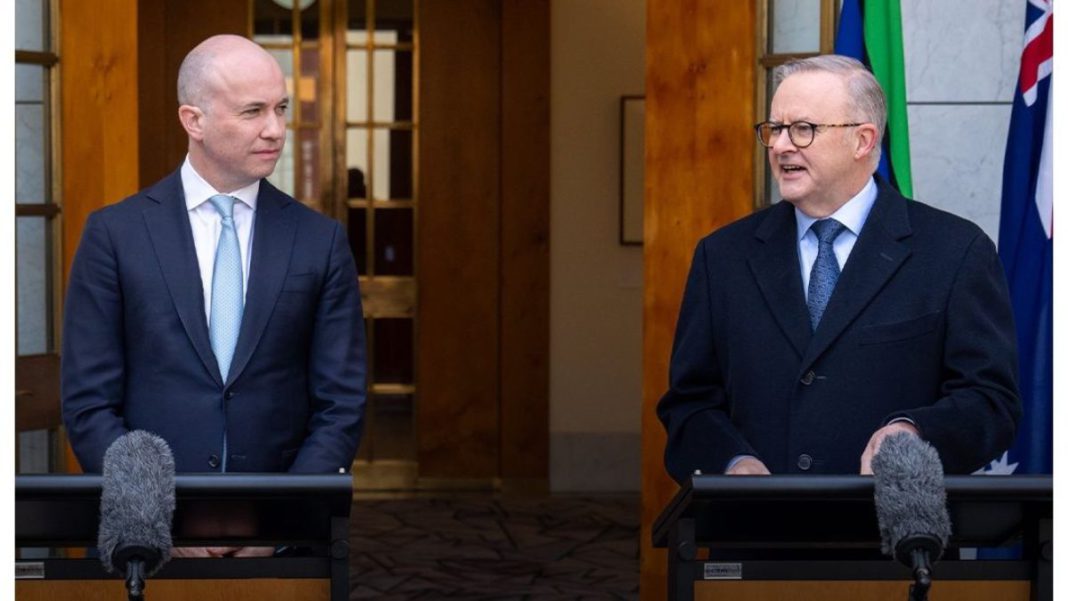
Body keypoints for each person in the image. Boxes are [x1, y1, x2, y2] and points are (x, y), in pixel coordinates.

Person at [61, 35, 366, 553]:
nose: (275, 129)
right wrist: (158, 518)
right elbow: (89, 403)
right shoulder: (115, 235)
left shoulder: (321, 240)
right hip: (146, 546)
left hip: (285, 546)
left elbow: (341, 404)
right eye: (252, 111)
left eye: (281, 109)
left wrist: (279, 521)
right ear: (193, 120)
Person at [657, 55, 1021, 482]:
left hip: (893, 536)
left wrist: (912, 434)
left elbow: (990, 401)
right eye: (774, 129)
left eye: (803, 129)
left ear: (863, 140)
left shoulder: (954, 251)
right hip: (759, 534)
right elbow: (690, 404)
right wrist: (732, 463)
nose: (780, 145)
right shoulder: (722, 257)